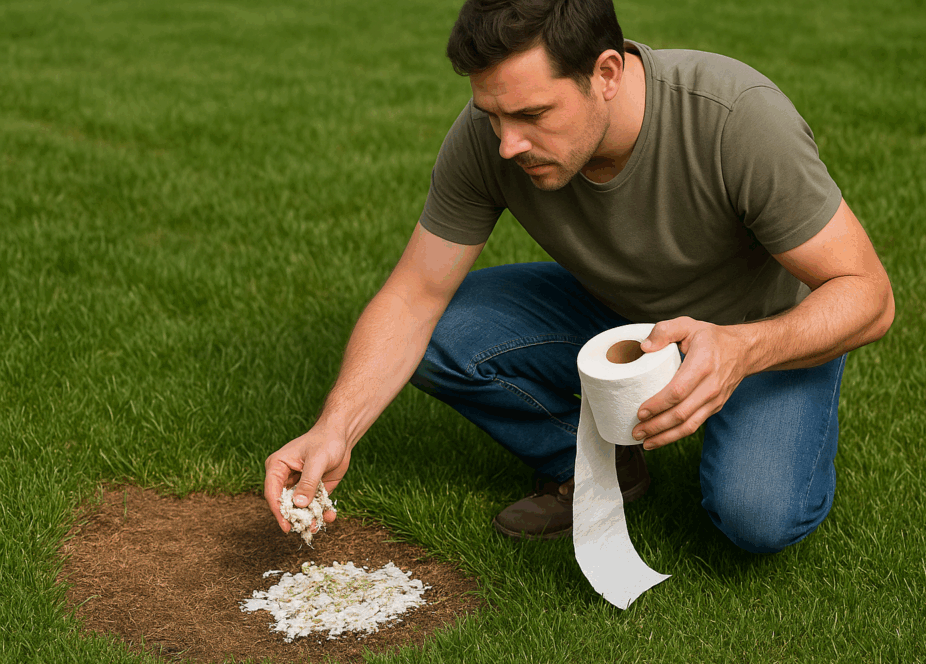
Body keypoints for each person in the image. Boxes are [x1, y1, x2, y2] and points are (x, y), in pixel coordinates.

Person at [264, 0, 894, 554]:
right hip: (616, 314)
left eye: (533, 114)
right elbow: (412, 297)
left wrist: (746, 348)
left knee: (756, 516)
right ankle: (600, 464)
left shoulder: (735, 118)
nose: (508, 144)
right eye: (492, 115)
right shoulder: (492, 141)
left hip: (757, 335)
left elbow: (869, 294)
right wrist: (334, 428)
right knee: (441, 333)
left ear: (607, 74)